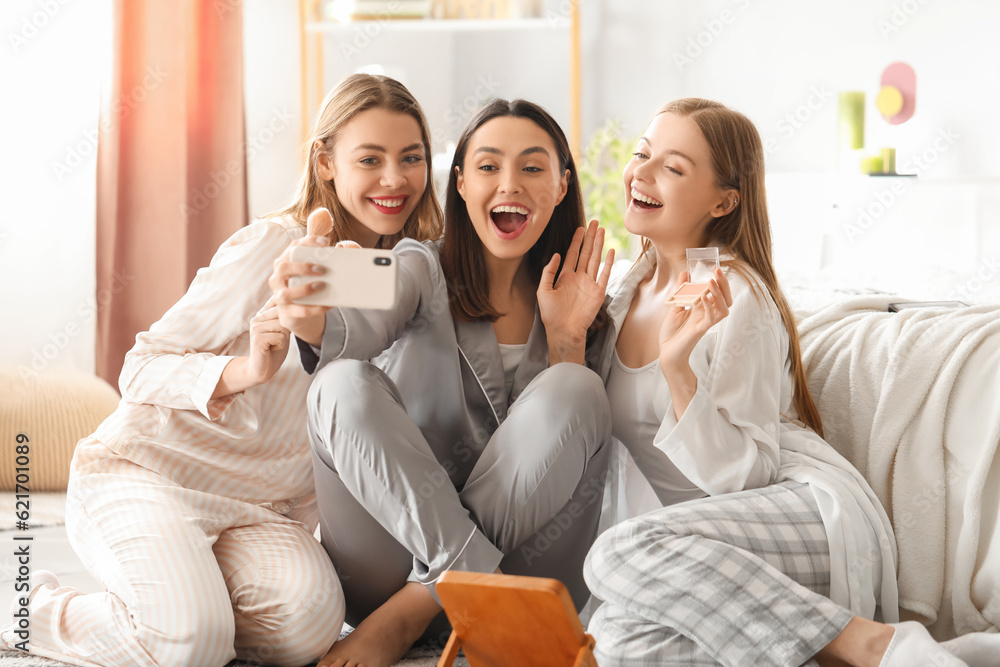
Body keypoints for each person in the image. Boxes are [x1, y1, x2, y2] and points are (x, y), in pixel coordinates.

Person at [2, 73, 443, 667]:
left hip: (261, 511)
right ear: (326, 162)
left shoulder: (414, 279)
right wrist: (244, 371)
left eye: (411, 157)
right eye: (371, 158)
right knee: (192, 644)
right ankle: (33, 615)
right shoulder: (275, 248)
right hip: (150, 473)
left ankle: (174, 605)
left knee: (310, 627)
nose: (395, 179)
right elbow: (140, 366)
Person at [581, 98, 1000, 667]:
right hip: (699, 549)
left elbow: (748, 475)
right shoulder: (622, 296)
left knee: (618, 554)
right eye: (642, 154)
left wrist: (678, 370)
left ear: (724, 201)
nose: (642, 173)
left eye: (674, 168)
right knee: (618, 636)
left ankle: (878, 646)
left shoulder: (737, 300)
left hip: (799, 514)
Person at [270, 98, 615, 667]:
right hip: (388, 556)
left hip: (524, 574)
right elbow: (355, 306)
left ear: (561, 187)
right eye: (487, 166)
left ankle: (417, 607)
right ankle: (442, 586)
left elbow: (563, 445)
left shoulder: (589, 299)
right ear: (458, 184)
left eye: (532, 168)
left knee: (576, 389)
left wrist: (567, 339)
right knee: (339, 383)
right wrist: (310, 304)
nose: (510, 184)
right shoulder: (416, 265)